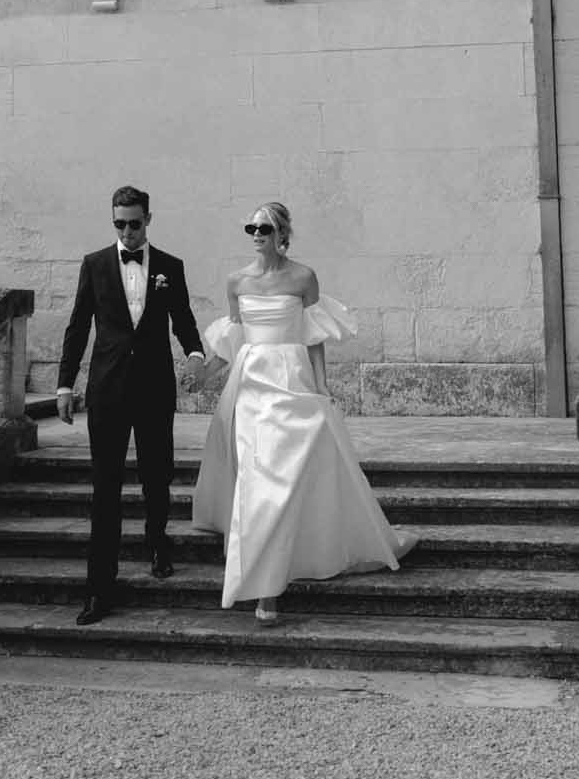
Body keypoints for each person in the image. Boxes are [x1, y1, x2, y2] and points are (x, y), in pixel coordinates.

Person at [191, 201, 416, 624]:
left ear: (282, 234)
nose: (257, 234)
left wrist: (322, 385)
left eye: (265, 227)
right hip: (251, 385)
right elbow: (234, 339)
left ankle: (285, 564)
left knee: (291, 476)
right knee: (259, 481)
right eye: (251, 228)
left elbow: (313, 338)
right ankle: (266, 591)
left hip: (291, 379)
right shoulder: (236, 281)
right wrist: (205, 374)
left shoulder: (303, 277)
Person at [55, 184, 206, 626]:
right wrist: (65, 385)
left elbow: (183, 319)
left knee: (157, 473)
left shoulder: (170, 267)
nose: (127, 231)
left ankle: (157, 541)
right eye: (119, 224)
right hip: (108, 389)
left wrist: (196, 354)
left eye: (134, 224)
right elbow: (78, 327)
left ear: (148, 220)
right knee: (105, 489)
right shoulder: (96, 265)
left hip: (155, 386)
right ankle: (99, 589)